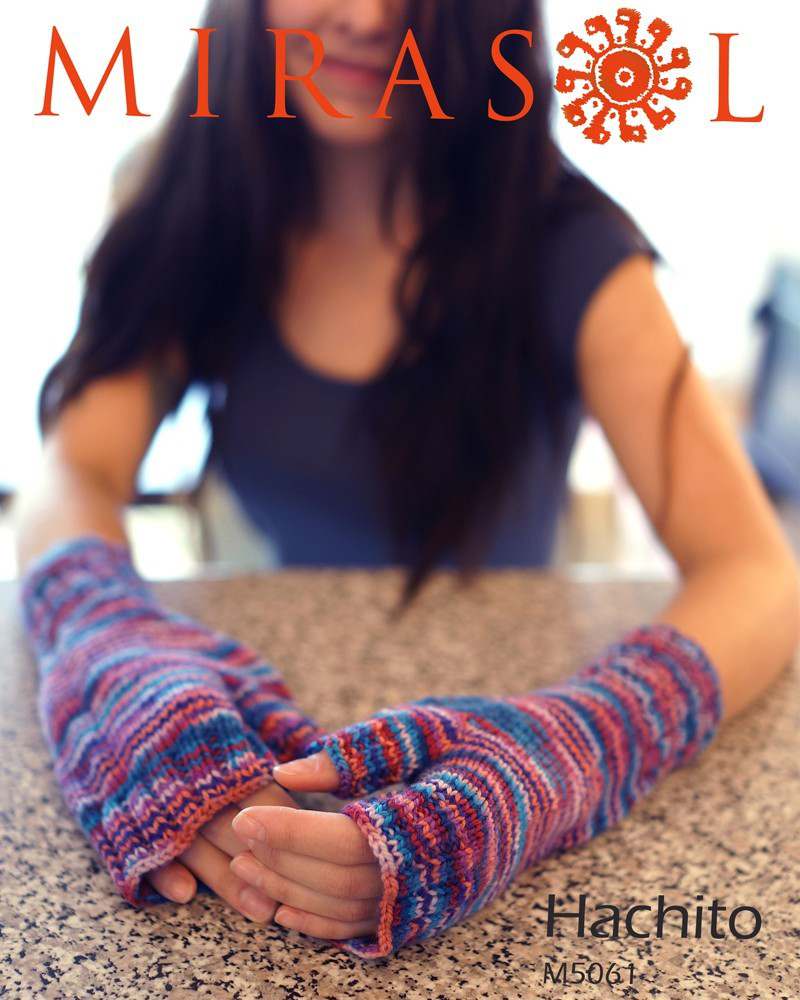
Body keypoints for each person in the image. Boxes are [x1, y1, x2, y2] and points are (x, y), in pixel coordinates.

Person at [12, 0, 799, 961]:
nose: (363, 16)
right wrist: (112, 642)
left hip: (504, 687)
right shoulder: (192, 203)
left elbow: (757, 570)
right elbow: (76, 466)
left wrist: (567, 747)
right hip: (246, 711)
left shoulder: (567, 242)